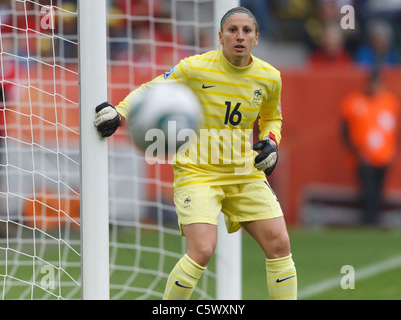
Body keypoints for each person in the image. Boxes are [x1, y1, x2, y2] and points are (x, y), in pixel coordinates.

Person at [95, 7, 297, 300]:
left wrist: (271, 142)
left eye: (246, 31)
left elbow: (271, 118)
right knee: (202, 249)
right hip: (198, 173)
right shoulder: (195, 67)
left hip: (243, 173)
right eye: (232, 30)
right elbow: (154, 89)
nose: (239, 36)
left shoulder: (269, 77)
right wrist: (120, 112)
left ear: (256, 38)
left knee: (279, 243)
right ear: (220, 37)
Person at [340, 67, 400, 225]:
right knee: (367, 191)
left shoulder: (389, 101)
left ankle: (375, 221)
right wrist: (355, 151)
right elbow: (344, 131)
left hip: (384, 156)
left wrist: (394, 151)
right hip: (363, 157)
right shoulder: (354, 101)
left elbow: (397, 130)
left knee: (379, 191)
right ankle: (369, 222)